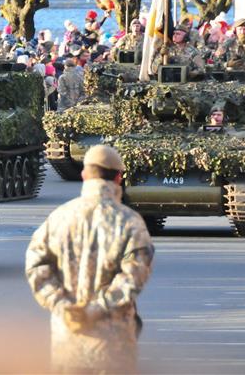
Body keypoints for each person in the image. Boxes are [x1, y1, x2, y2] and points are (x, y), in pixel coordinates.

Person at [26, 145, 153, 373]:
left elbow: (36, 266)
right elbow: (134, 276)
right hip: (113, 343)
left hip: (68, 338)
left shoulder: (59, 218)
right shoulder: (129, 222)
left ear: (84, 174)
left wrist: (63, 305)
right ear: (118, 177)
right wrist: (98, 308)